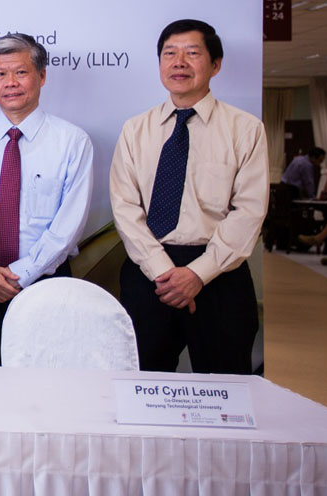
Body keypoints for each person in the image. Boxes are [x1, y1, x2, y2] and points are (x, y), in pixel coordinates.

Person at [110, 19, 268, 374]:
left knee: (226, 387)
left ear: (215, 64)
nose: (179, 62)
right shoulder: (136, 129)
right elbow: (124, 207)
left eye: (192, 53)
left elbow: (249, 211)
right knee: (141, 382)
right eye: (170, 54)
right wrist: (165, 272)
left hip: (219, 274)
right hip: (149, 271)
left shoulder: (245, 129)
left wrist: (197, 274)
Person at [0, 33, 93, 366]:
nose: (10, 83)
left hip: (45, 283)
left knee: (47, 384)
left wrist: (22, 274)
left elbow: (68, 225)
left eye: (21, 72)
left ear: (42, 76)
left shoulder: (72, 141)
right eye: (0, 74)